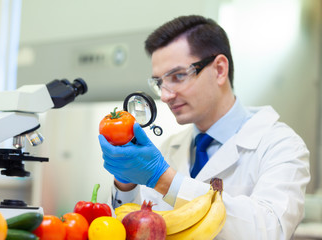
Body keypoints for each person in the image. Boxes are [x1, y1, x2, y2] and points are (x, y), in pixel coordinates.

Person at [98, 15, 310, 239]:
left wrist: (163, 179)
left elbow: (270, 230)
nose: (167, 95)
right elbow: (135, 226)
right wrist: (126, 183)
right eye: (159, 83)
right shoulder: (171, 147)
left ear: (219, 69)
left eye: (178, 76)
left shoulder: (282, 145)